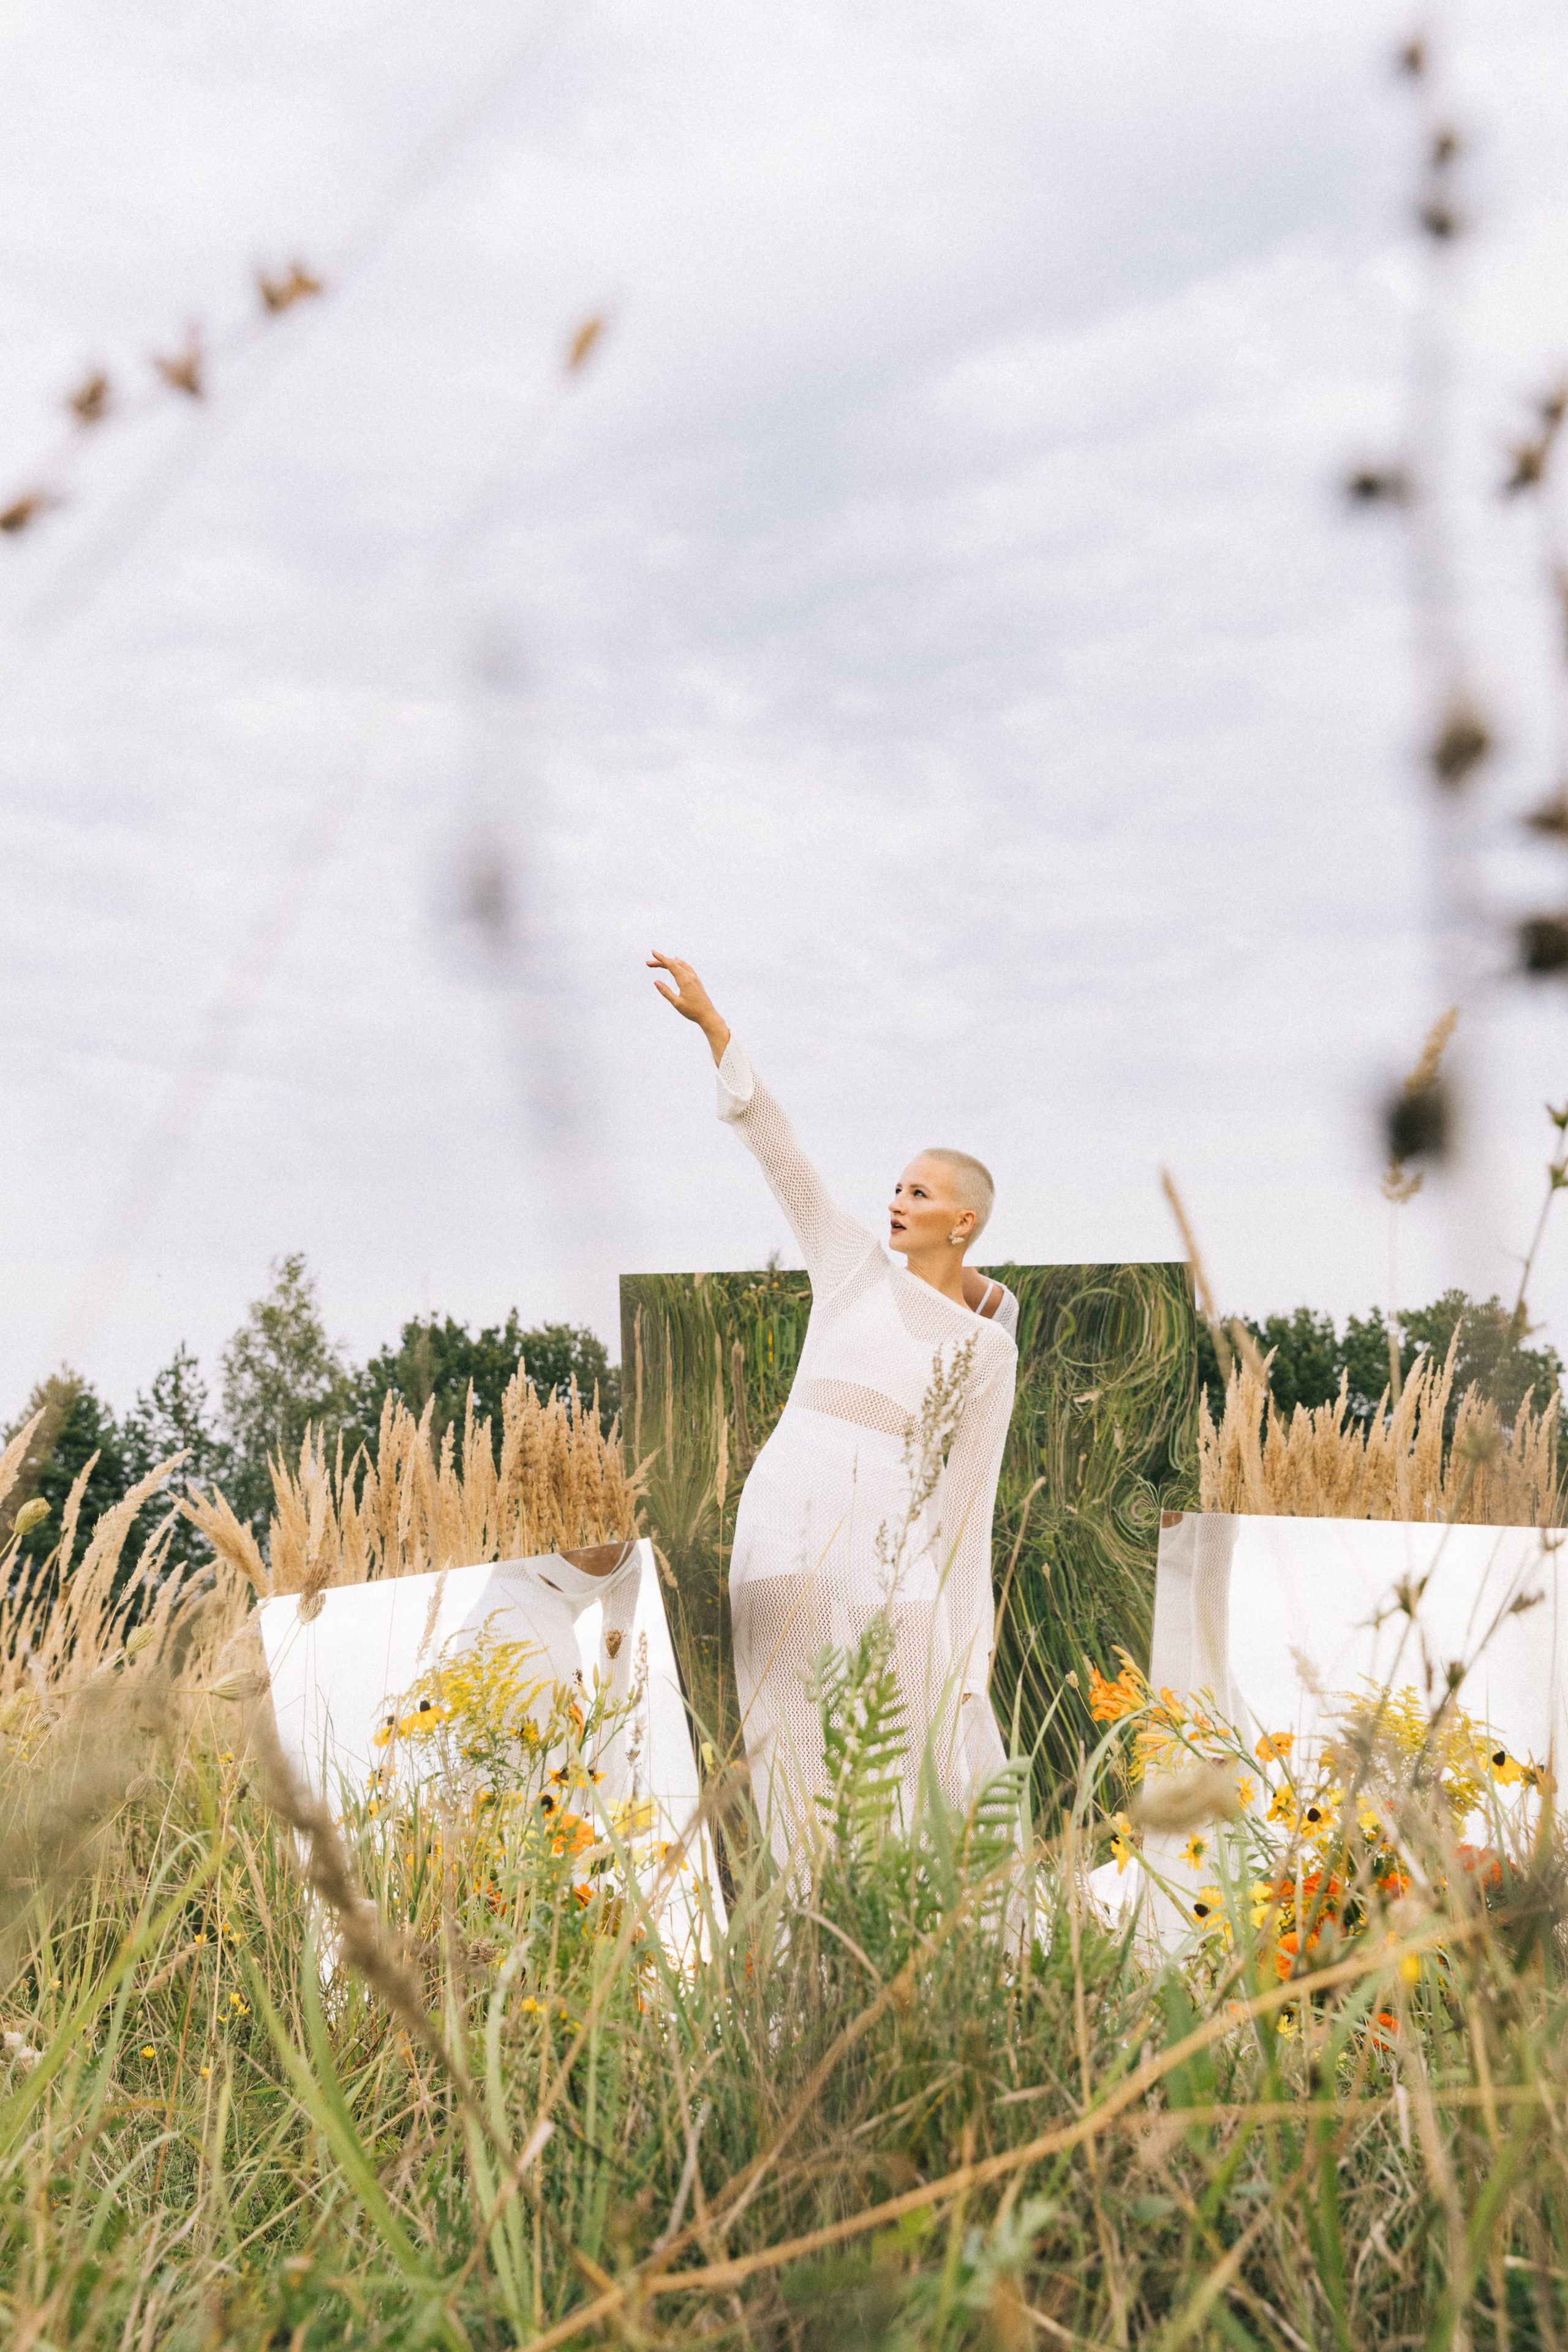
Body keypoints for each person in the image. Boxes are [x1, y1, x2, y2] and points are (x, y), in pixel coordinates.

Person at [649, 951, 1019, 1876]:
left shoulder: (986, 1348)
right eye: (895, 1187)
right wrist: (716, 1031)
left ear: (962, 1221)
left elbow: (970, 1503)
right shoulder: (851, 1266)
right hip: (782, 1528)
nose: (895, 1201)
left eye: (919, 1193)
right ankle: (814, 1956)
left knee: (911, 1754)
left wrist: (971, 1659)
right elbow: (783, 1155)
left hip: (889, 1547)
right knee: (794, 1759)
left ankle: (925, 1952)